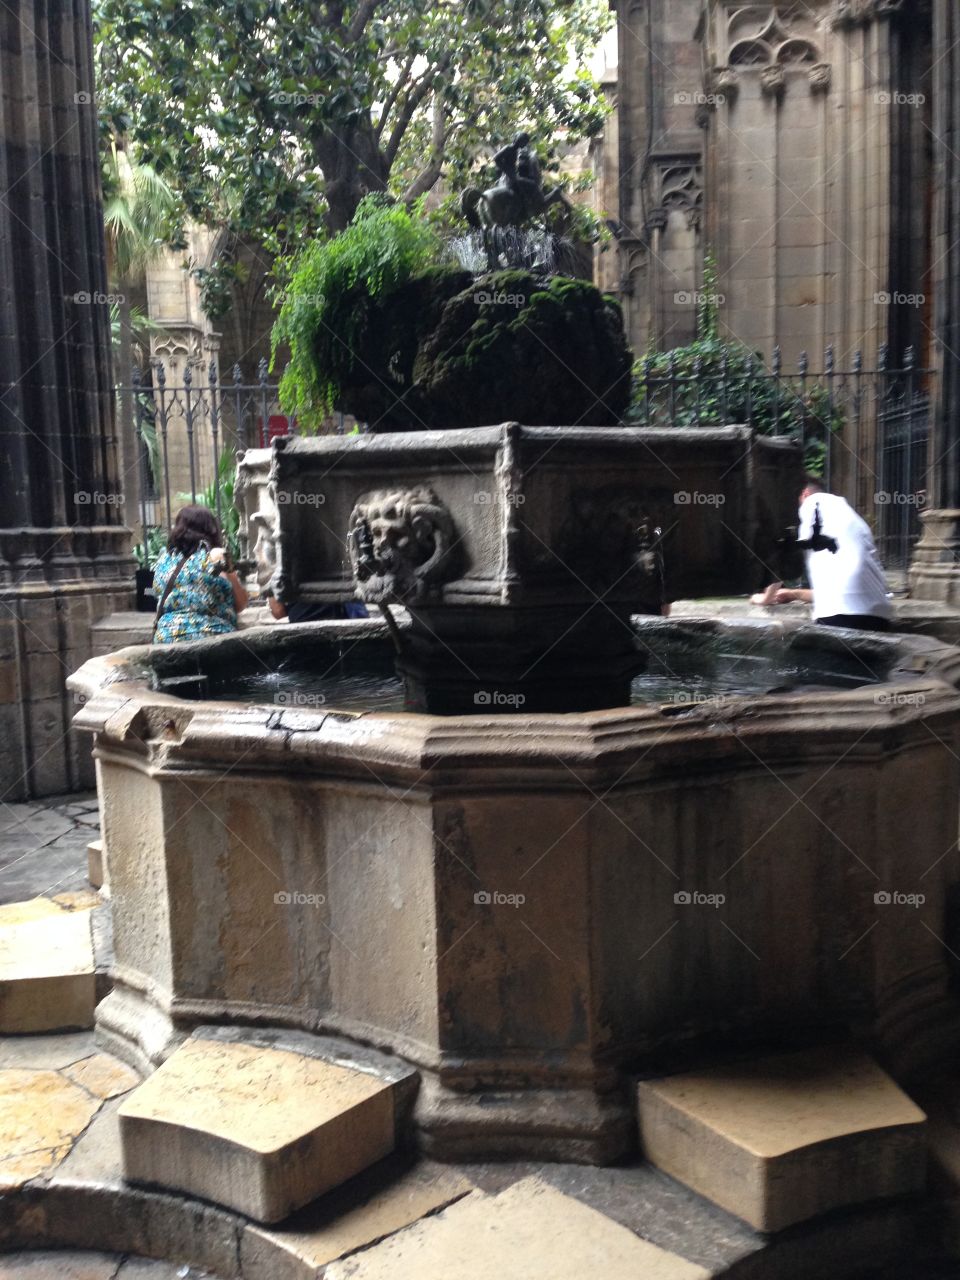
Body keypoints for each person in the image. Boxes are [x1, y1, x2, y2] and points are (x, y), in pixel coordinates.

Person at [752, 477, 893, 632]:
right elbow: (843, 589)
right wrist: (795, 593)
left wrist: (766, 598)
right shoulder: (850, 516)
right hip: (880, 617)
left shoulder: (811, 505)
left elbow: (781, 559)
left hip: (838, 618)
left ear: (805, 494)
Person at [153, 505, 249, 644]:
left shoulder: (164, 560)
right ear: (212, 529)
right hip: (213, 637)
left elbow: (157, 594)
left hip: (167, 638)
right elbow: (241, 603)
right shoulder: (216, 557)